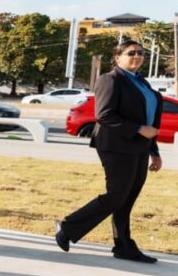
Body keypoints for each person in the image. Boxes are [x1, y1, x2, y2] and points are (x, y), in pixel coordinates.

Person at [56, 40, 164, 263]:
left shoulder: (142, 83)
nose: (137, 56)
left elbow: (151, 123)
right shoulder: (110, 79)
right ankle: (68, 227)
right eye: (131, 53)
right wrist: (137, 128)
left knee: (127, 199)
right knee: (116, 196)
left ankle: (123, 245)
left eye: (141, 53)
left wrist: (154, 151)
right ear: (117, 57)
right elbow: (104, 115)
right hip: (116, 146)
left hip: (140, 148)